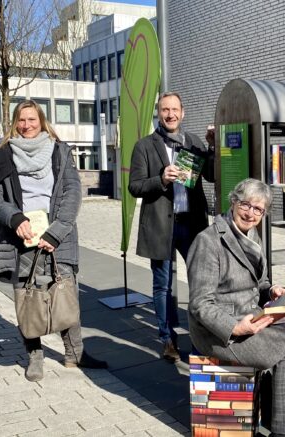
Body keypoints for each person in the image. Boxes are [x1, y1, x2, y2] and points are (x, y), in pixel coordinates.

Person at [186, 179, 285, 437]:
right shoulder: (207, 241)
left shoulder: (253, 236)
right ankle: (284, 432)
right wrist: (234, 327)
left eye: (258, 210)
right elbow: (199, 304)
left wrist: (271, 290)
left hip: (250, 315)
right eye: (246, 205)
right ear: (234, 202)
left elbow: (259, 281)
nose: (251, 213)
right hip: (219, 330)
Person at [0, 100, 107, 382]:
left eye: (32, 119)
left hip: (56, 237)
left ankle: (75, 354)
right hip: (19, 238)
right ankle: (34, 356)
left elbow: (72, 192)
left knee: (66, 293)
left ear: (41, 121)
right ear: (15, 122)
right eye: (21, 120)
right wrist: (14, 218)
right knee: (28, 298)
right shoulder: (3, 155)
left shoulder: (60, 152)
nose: (26, 125)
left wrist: (56, 231)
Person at [128, 92, 214, 363]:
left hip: (192, 223)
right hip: (160, 225)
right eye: (165, 109)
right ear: (159, 113)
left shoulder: (193, 142)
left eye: (175, 109)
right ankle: (167, 340)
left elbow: (211, 175)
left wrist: (212, 147)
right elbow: (135, 186)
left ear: (182, 112)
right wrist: (161, 179)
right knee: (162, 285)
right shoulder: (144, 146)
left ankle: (200, 337)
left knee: (201, 283)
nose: (170, 114)